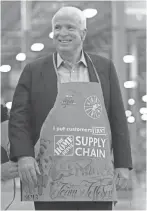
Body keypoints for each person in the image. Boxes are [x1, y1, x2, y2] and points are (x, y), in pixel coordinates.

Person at [9, 6, 132, 210]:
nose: (62, 33)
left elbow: (117, 117)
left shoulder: (104, 68)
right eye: (57, 27)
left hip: (95, 177)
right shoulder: (33, 71)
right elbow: (19, 117)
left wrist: (122, 163)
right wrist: (24, 156)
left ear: (83, 33)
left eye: (70, 27)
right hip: (48, 176)